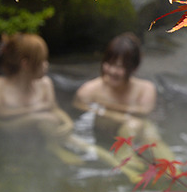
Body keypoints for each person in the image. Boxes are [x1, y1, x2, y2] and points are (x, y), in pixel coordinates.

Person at [0, 33, 140, 182]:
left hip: (46, 129)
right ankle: (55, 148)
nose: (46, 65)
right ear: (25, 64)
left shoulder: (44, 84)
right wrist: (37, 114)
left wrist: (68, 123)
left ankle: (126, 170)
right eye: (42, 61)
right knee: (45, 119)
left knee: (86, 145)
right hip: (9, 130)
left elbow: (55, 109)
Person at [73, 32, 175, 166]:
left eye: (120, 66)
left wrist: (104, 106)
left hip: (139, 138)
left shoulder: (145, 89)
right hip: (105, 138)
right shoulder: (90, 90)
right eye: (109, 64)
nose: (112, 71)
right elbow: (79, 105)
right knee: (136, 124)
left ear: (134, 67)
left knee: (150, 133)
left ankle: (176, 172)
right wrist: (122, 118)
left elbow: (145, 111)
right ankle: (125, 155)